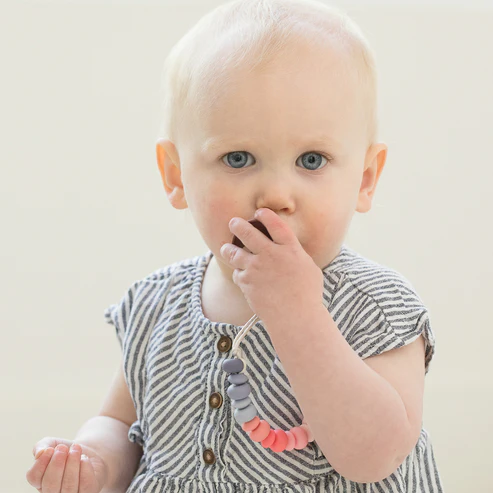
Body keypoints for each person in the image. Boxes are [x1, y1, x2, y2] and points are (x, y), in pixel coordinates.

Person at [26, 0, 444, 491]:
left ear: (365, 179)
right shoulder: (157, 305)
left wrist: (299, 315)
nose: (276, 195)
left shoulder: (374, 307)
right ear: (176, 176)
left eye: (311, 160)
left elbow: (376, 455)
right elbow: (121, 424)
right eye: (239, 158)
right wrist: (94, 461)